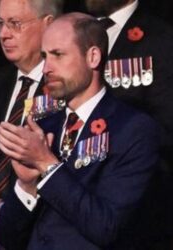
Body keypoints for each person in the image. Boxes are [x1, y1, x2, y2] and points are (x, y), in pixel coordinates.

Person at [0, 13, 159, 249]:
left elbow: (107, 227)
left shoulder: (132, 130)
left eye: (58, 55)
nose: (46, 68)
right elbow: (7, 238)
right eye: (44, 56)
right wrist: (26, 187)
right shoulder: (43, 128)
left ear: (92, 57)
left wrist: (46, 164)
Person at [0, 0, 63, 248]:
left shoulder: (66, 87)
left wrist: (3, 211)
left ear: (49, 25)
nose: (4, 34)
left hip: (38, 229)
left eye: (15, 24)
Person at [85, 0, 173, 248]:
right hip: (73, 194)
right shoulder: (75, 30)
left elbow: (165, 128)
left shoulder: (160, 39)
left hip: (135, 204)